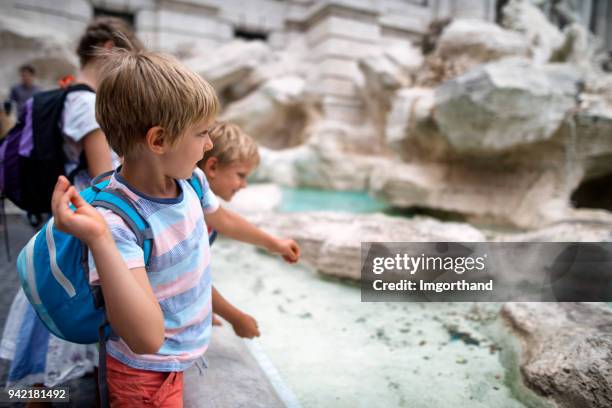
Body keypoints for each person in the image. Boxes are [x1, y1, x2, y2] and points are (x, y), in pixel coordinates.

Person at [51, 49, 300, 406]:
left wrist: (272, 243)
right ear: (159, 141)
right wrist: (99, 240)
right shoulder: (117, 222)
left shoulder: (191, 181)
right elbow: (146, 339)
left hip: (182, 353)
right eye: (202, 133)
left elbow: (221, 219)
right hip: (146, 376)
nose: (210, 143)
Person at [0, 17, 143, 404]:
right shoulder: (86, 102)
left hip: (72, 215)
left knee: (59, 311)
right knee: (63, 312)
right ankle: (39, 396)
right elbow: (103, 175)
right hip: (85, 217)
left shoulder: (71, 95)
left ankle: (49, 390)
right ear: (111, 51)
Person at [200, 121, 262, 338]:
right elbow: (190, 279)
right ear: (213, 167)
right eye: (241, 175)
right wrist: (236, 318)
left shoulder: (199, 204)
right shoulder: (191, 212)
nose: (244, 185)